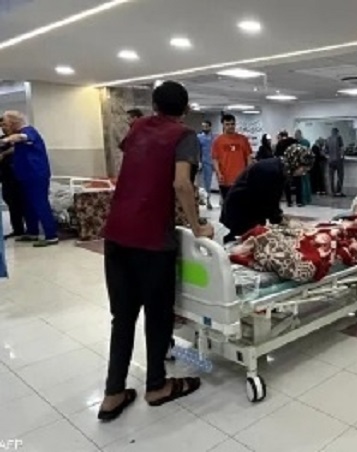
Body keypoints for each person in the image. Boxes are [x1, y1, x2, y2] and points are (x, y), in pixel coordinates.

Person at [98, 81, 213, 422]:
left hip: (116, 233)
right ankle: (157, 386)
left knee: (123, 317)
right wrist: (197, 227)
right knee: (157, 313)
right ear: (186, 108)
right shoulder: (184, 135)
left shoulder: (137, 127)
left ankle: (113, 393)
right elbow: (181, 183)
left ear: (154, 106)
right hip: (151, 237)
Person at [220, 144, 314, 243]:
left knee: (253, 237)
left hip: (251, 209)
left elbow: (272, 199)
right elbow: (264, 199)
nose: (303, 173)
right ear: (295, 162)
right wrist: (278, 219)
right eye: (303, 169)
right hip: (241, 209)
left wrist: (278, 217)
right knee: (245, 239)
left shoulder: (281, 169)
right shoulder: (270, 170)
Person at [0, 111, 59, 247]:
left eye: (6, 124)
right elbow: (17, 148)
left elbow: (22, 137)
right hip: (25, 176)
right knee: (28, 205)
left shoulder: (29, 131)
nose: (4, 127)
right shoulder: (19, 137)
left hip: (36, 175)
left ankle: (51, 235)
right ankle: (32, 232)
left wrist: (5, 140)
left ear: (14, 122)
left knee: (40, 204)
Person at [212, 113, 252, 203]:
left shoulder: (243, 139)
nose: (230, 126)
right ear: (223, 125)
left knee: (241, 203)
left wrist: (249, 172)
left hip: (241, 178)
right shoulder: (218, 141)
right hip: (225, 178)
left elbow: (248, 156)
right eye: (227, 124)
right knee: (227, 203)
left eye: (232, 124)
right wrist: (218, 173)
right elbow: (215, 159)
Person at [0, 117, 24, 239]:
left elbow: (17, 149)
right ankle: (17, 229)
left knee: (21, 202)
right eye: (1, 126)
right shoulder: (2, 139)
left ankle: (30, 229)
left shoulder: (19, 137)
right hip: (6, 176)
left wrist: (4, 154)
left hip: (19, 176)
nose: (3, 128)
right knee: (10, 201)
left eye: (5, 125)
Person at [196, 120, 215, 210]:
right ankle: (206, 200)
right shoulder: (199, 137)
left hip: (213, 161)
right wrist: (198, 161)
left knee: (210, 182)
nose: (204, 128)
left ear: (210, 127)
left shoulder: (214, 138)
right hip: (203, 162)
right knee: (202, 182)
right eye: (203, 126)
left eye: (206, 126)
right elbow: (197, 150)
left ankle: (213, 200)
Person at [325, 128, 346, 197]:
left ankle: (332, 192)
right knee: (340, 176)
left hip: (330, 161)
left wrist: (329, 156)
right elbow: (342, 148)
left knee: (331, 177)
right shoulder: (339, 138)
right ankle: (338, 192)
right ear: (337, 132)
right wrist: (342, 157)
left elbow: (325, 151)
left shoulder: (328, 139)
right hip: (338, 160)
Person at [294, 130, 312, 205]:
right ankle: (308, 198)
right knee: (306, 181)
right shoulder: (306, 142)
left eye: (296, 135)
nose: (295, 136)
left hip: (301, 164)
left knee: (302, 182)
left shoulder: (298, 143)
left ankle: (304, 198)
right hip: (306, 163)